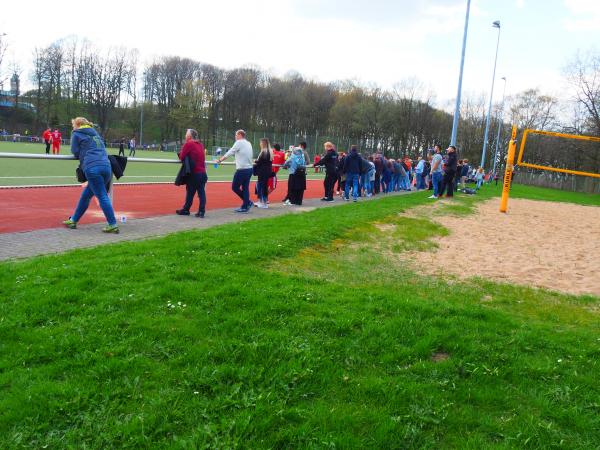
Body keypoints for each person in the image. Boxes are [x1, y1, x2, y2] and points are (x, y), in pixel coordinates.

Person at [62, 117, 118, 233]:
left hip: (92, 168)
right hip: (107, 167)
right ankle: (74, 220)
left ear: (77, 125)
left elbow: (74, 151)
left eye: (73, 125)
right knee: (86, 195)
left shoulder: (77, 134)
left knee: (102, 196)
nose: (73, 127)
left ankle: (112, 224)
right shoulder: (96, 134)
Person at [217, 129, 254, 213]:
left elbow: (230, 152)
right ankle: (246, 204)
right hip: (249, 169)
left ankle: (247, 203)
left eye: (236, 135)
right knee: (245, 188)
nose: (235, 137)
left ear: (240, 135)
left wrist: (220, 160)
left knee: (235, 187)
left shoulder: (239, 142)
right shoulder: (248, 143)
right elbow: (244, 154)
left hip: (242, 170)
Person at [176, 129, 207, 217]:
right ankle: (201, 211)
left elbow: (182, 157)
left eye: (186, 134)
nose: (185, 136)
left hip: (195, 173)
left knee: (190, 192)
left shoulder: (188, 143)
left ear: (189, 136)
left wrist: (181, 154)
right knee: (201, 192)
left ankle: (186, 210)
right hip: (203, 173)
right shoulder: (200, 144)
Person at [254, 138, 273, 208]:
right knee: (264, 186)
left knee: (261, 186)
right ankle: (263, 202)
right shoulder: (270, 151)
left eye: (261, 143)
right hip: (267, 171)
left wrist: (255, 161)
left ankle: (262, 202)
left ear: (263, 144)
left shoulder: (264, 151)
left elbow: (260, 162)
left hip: (262, 171)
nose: (260, 144)